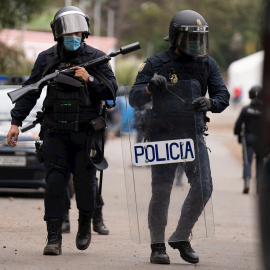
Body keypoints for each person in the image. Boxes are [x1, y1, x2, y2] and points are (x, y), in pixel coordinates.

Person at [7, 6, 117, 255]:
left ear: (84, 32)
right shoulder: (47, 58)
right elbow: (30, 91)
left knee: (85, 184)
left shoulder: (97, 58)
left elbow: (112, 92)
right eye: (67, 31)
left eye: (77, 31)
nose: (73, 35)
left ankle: (85, 225)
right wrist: (16, 122)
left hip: (85, 133)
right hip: (55, 130)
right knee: (55, 182)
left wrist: (90, 79)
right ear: (57, 33)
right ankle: (53, 236)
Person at [129, 10, 230, 264]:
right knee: (162, 191)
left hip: (193, 135)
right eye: (190, 39)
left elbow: (223, 97)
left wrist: (209, 103)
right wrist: (151, 87)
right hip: (163, 136)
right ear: (175, 38)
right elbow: (134, 97)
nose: (196, 44)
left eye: (200, 39)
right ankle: (157, 245)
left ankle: (181, 236)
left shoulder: (208, 64)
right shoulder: (155, 63)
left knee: (204, 187)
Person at [234, 85, 264, 194]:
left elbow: (238, 125)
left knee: (247, 161)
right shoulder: (264, 110)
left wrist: (237, 134)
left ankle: (247, 183)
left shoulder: (246, 109)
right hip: (262, 141)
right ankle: (259, 187)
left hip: (248, 138)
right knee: (260, 162)